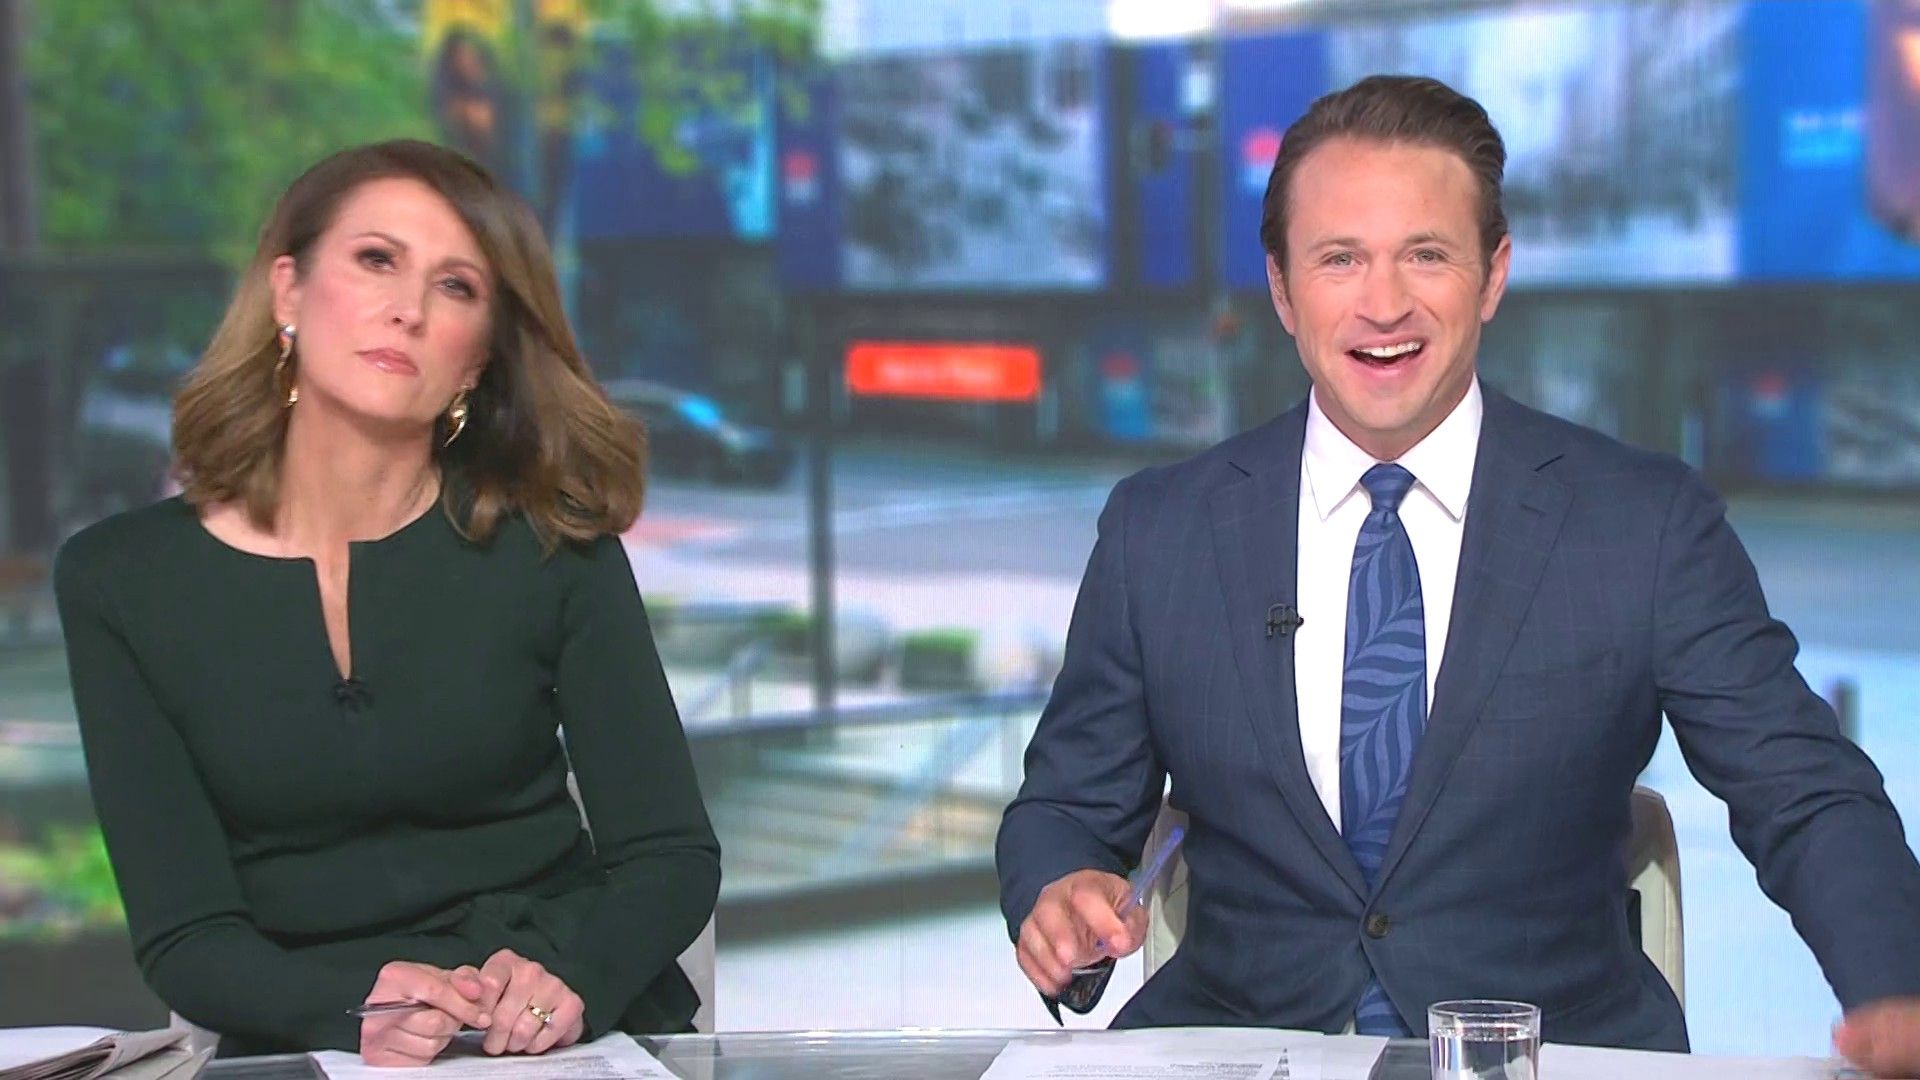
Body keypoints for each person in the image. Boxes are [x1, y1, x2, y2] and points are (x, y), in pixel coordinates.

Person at [995, 75, 1920, 1077]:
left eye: (1426, 255)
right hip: (1242, 1050)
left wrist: (1897, 986)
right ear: (1283, 290)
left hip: (1548, 1054)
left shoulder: (1642, 523)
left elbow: (1804, 791)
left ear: (1492, 276)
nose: (1384, 303)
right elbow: (1066, 809)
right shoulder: (1160, 531)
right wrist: (1059, 889)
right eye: (1340, 259)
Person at [54, 140, 719, 1065]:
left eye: (456, 286)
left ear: (479, 357)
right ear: (288, 292)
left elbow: (670, 856)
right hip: (316, 1037)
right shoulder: (121, 579)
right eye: (376, 260)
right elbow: (187, 937)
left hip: (557, 1026)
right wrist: (351, 1005)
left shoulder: (553, 544)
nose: (408, 309)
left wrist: (570, 973)